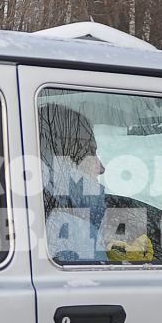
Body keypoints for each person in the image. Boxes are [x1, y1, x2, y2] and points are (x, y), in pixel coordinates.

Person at [39, 101, 107, 262]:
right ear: (66, 156)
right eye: (89, 151)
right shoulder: (66, 222)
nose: (101, 168)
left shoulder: (47, 208)